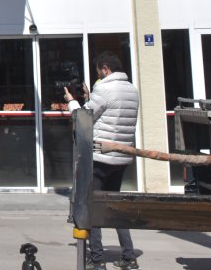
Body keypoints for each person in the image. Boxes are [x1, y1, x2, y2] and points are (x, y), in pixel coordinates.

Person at [65, 52, 140, 270]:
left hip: (100, 156)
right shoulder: (131, 90)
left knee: (93, 205)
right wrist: (90, 98)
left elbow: (82, 118)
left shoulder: (105, 89)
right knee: (115, 207)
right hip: (121, 157)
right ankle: (129, 256)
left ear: (105, 69)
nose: (99, 75)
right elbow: (108, 115)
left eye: (99, 71)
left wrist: (72, 102)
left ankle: (96, 259)